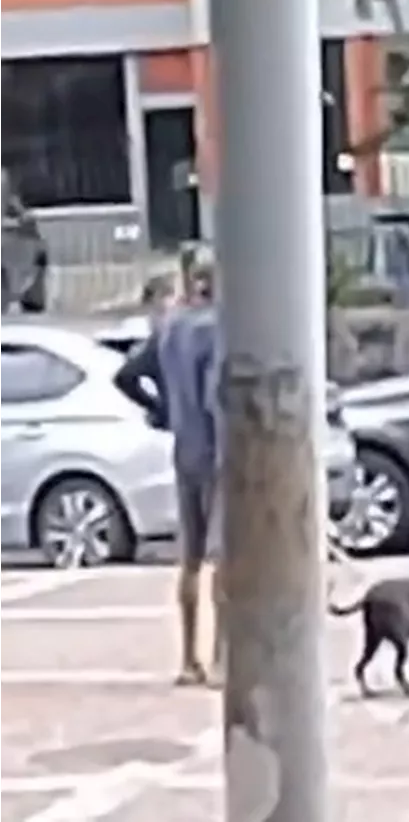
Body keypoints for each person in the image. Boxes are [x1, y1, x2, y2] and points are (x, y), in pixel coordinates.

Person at [157, 258, 224, 687]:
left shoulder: (170, 328)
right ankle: (219, 658)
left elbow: (130, 374)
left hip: (183, 449)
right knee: (223, 559)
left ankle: (187, 658)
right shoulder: (217, 328)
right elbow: (216, 395)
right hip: (216, 452)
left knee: (190, 560)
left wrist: (163, 414)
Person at [113, 275, 177, 429]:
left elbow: (125, 377)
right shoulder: (161, 341)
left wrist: (155, 407)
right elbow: (125, 377)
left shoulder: (158, 341)